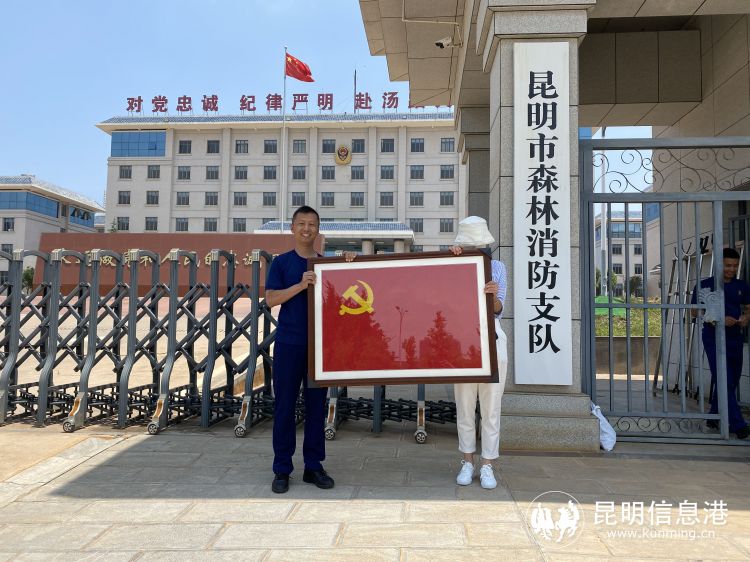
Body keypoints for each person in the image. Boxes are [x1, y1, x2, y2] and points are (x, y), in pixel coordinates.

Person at [265, 205, 334, 493]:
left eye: (312, 224)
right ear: (293, 228)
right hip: (289, 345)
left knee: (316, 407)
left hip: (318, 348)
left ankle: (313, 466)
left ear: (318, 229)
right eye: (302, 223)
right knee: (285, 406)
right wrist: (300, 285)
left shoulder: (326, 264)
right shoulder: (282, 263)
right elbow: (270, 299)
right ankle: (282, 468)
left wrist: (348, 263)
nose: (307, 229)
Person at [448, 216, 508, 489]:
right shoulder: (453, 263)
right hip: (462, 341)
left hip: (492, 338)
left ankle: (487, 464)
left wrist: (492, 295)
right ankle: (467, 461)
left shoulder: (497, 267)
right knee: (464, 404)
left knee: (491, 407)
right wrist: (450, 262)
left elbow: (499, 309)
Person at [691, 247, 750, 439]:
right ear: (719, 265)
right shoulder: (704, 285)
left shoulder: (742, 286)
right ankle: (738, 424)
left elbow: (748, 309)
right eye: (727, 265)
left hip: (735, 337)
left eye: (734, 266)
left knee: (731, 380)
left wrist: (745, 318)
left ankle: (713, 417)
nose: (731, 269)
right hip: (713, 337)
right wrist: (717, 317)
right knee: (724, 379)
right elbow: (694, 311)